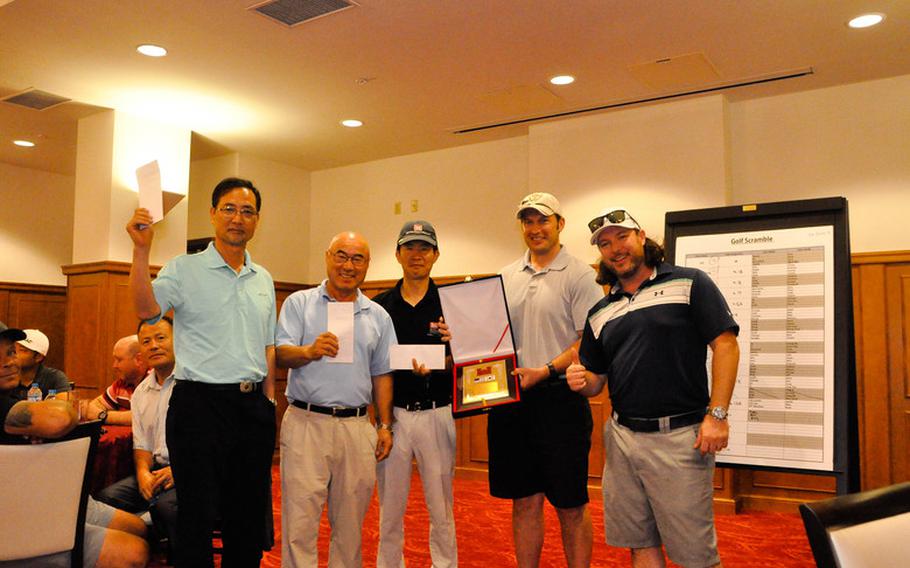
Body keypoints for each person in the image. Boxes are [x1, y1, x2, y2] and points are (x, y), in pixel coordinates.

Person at [566, 207, 740, 568]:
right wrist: (581, 381)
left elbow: (725, 345)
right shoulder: (600, 311)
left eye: (622, 237)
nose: (615, 249)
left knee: (694, 555)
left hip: (680, 438)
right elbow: (596, 380)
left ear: (642, 237)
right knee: (639, 541)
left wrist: (717, 415)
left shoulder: (689, 282)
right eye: (605, 243)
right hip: (622, 439)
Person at [126, 177, 277, 567]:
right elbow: (146, 310)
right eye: (229, 208)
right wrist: (141, 252)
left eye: (247, 211)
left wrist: (270, 400)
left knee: (246, 519)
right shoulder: (184, 268)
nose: (238, 218)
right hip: (198, 407)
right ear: (212, 215)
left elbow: (267, 346)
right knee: (196, 517)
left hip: (252, 407)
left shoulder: (262, 278)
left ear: (257, 220)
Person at [489, 192, 604, 568]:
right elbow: (491, 336)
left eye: (543, 220)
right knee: (524, 500)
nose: (535, 228)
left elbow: (587, 338)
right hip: (511, 399)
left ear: (559, 224)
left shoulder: (580, 274)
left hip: (560, 399)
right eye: (528, 221)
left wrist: (546, 371)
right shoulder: (505, 275)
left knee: (571, 504)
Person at [276, 231, 396, 567]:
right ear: (327, 257)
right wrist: (309, 350)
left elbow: (383, 373)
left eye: (358, 259)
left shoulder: (378, 316)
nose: (348, 265)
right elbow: (280, 354)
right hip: (305, 422)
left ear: (367, 265)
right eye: (341, 255)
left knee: (350, 526)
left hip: (357, 427)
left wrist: (385, 424)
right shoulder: (299, 304)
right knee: (300, 523)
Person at [0, 327, 148, 568]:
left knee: (139, 529)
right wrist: (69, 406)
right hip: (20, 517)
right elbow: (59, 417)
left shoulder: (23, 391)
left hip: (50, 494)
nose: (9, 363)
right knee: (134, 551)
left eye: (11, 353)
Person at [372, 221, 456, 568]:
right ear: (397, 254)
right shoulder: (378, 307)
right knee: (390, 509)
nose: (417, 255)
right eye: (410, 248)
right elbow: (372, 364)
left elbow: (473, 362)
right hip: (394, 418)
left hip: (438, 413)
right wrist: (382, 422)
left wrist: (451, 354)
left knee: (442, 507)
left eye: (424, 248)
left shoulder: (452, 303)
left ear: (436, 255)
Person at [96, 317, 178, 557]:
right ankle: (144, 545)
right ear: (141, 351)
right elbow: (141, 443)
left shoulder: (196, 384)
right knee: (106, 499)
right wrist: (142, 472)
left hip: (192, 472)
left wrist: (179, 471)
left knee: (168, 506)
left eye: (161, 338)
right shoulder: (142, 391)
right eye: (146, 341)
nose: (153, 345)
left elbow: (212, 441)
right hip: (155, 469)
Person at [83, 335, 147, 425]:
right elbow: (94, 407)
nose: (114, 365)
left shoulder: (155, 380)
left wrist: (103, 416)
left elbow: (144, 418)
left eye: (119, 360)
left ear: (138, 359)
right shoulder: (123, 382)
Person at [13, 328, 70, 400]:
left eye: (22, 350)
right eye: (13, 349)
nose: (15, 354)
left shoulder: (54, 378)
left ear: (38, 357)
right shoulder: (5, 376)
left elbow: (64, 406)